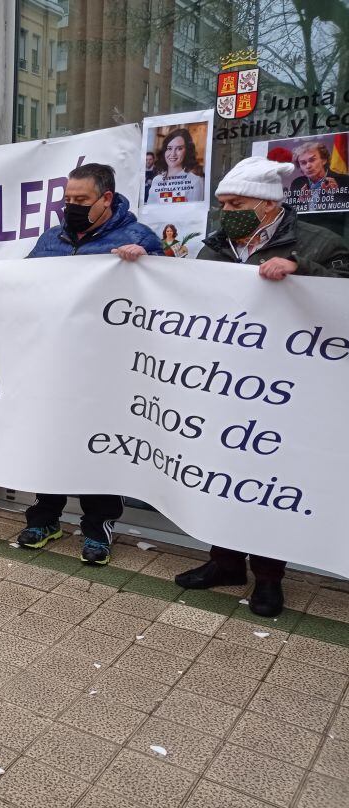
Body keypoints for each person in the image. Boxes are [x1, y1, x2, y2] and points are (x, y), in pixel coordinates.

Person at [176, 156, 349, 617]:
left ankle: (269, 578)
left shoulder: (318, 242)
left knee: (269, 477)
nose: (226, 212)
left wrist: (300, 268)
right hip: (223, 383)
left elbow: (343, 291)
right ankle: (225, 562)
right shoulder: (216, 246)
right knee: (221, 473)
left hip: (284, 390)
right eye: (223, 204)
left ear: (268, 204)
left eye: (236, 204)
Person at [17, 163, 163, 566]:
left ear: (106, 199)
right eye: (67, 199)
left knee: (101, 445)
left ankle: (98, 527)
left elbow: (169, 291)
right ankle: (45, 519)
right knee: (52, 442)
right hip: (56, 362)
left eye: (81, 199)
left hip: (109, 369)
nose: (72, 207)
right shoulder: (52, 238)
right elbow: (19, 279)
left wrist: (149, 262)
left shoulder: (138, 238)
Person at [288, 141, 349, 212]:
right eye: (303, 163)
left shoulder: (344, 180)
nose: (308, 166)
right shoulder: (297, 183)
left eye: (312, 160)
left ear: (324, 160)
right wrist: (301, 202)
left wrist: (334, 194)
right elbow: (290, 213)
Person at [147, 129, 204, 203]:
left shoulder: (195, 181)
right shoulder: (156, 180)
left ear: (187, 151)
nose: (173, 154)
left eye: (179, 148)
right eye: (169, 148)